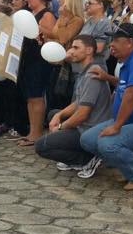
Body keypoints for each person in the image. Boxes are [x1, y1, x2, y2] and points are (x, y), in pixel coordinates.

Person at [80, 23, 133, 191]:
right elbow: (124, 84)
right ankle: (127, 167)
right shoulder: (128, 62)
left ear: (129, 42)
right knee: (87, 139)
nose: (111, 45)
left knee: (107, 144)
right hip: (128, 123)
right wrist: (107, 77)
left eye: (116, 41)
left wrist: (116, 126)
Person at [35, 35, 113, 178]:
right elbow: (78, 102)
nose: (71, 51)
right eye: (72, 47)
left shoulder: (92, 73)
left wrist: (60, 128)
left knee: (41, 146)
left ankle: (86, 159)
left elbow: (83, 114)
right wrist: (59, 116)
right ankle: (77, 154)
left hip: (91, 129)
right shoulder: (85, 71)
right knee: (53, 114)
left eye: (76, 48)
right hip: (85, 124)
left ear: (89, 50)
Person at [14, 0, 57, 147]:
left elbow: (52, 36)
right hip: (27, 58)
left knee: (37, 96)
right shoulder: (30, 14)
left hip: (39, 60)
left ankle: (37, 133)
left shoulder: (47, 15)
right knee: (29, 97)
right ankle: (32, 131)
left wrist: (38, 30)